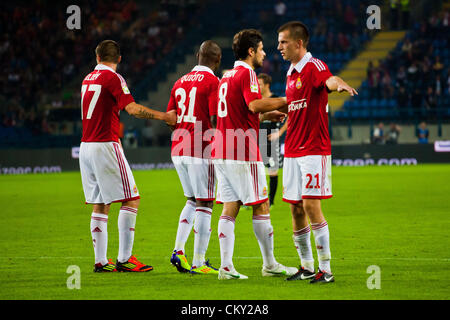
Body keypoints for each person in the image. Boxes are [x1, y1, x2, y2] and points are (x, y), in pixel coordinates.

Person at [79, 40, 176, 272]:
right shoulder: (114, 78)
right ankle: (125, 259)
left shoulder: (87, 79)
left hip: (86, 146)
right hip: (105, 145)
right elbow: (132, 109)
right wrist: (164, 117)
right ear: (119, 59)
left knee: (101, 204)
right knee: (131, 198)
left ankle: (101, 261)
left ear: (97, 57)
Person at [212, 29, 297, 280]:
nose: (264, 53)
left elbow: (240, 112)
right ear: (251, 51)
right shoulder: (247, 73)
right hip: (243, 152)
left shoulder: (226, 77)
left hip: (222, 150)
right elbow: (253, 104)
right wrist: (286, 100)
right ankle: (270, 264)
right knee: (260, 205)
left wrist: (263, 116)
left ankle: (226, 267)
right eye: (260, 49)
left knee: (230, 207)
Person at [277, 21, 358, 283]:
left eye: (283, 42)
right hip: (291, 149)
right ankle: (307, 266)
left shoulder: (314, 66)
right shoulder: (290, 72)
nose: (279, 47)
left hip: (313, 149)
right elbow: (296, 106)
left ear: (299, 43)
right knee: (296, 209)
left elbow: (329, 81)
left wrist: (340, 84)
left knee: (312, 205)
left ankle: (327, 269)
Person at [166, 40, 222, 275]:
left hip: (178, 148)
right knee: (205, 202)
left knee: (191, 200)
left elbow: (171, 117)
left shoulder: (179, 81)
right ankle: (199, 262)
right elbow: (216, 118)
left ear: (197, 55)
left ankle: (178, 251)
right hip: (201, 149)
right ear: (217, 61)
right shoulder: (213, 82)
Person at [257, 73, 285, 207]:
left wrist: (279, 132)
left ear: (267, 85)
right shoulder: (256, 100)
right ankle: (255, 199)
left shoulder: (275, 99)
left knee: (272, 172)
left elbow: (289, 116)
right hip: (257, 139)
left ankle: (271, 201)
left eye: (260, 84)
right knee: (255, 171)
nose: (258, 86)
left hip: (271, 139)